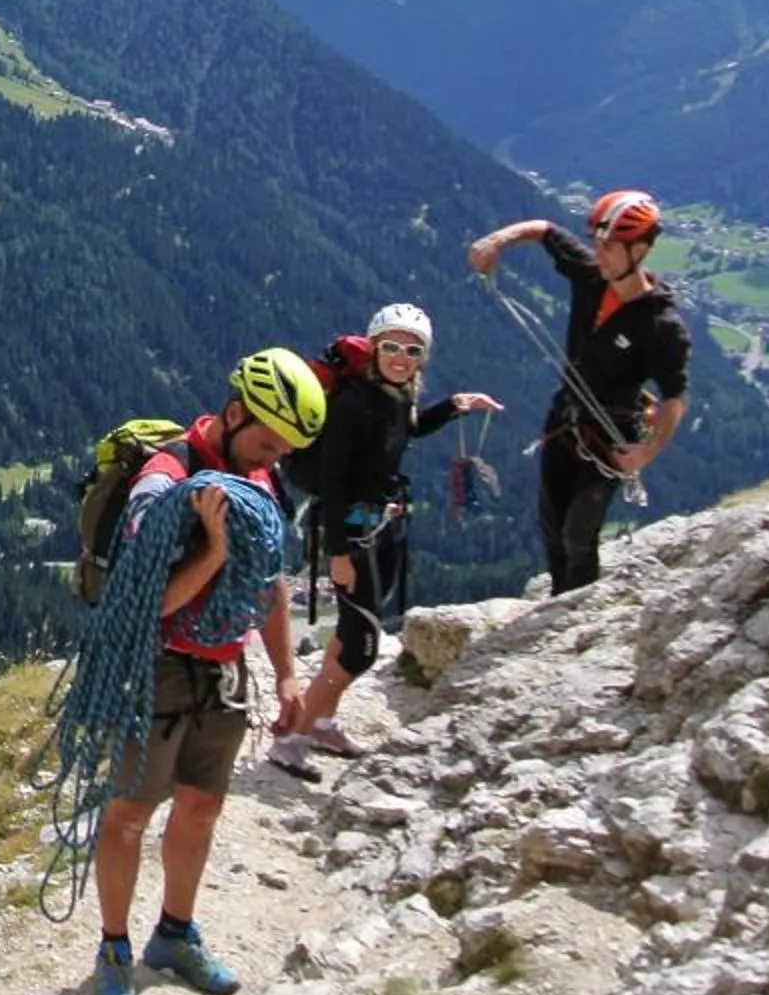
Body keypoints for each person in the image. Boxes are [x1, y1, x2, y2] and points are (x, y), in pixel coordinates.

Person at [88, 346, 327, 995]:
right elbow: (147, 602)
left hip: (223, 666)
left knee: (201, 805)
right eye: (266, 441)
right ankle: (112, 950)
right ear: (232, 413)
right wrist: (215, 553)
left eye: (284, 450)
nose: (273, 459)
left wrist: (285, 671)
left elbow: (271, 579)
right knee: (130, 812)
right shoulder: (165, 482)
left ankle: (174, 933)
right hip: (156, 664)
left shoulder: (259, 482)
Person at [268, 304, 500, 778]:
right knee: (362, 647)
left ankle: (323, 721)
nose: (400, 356)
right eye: (390, 346)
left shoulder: (394, 395)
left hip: (378, 526)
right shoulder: (354, 403)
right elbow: (331, 482)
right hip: (353, 533)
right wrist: (337, 555)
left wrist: (456, 405)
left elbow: (407, 427)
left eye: (411, 350)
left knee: (351, 635)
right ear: (373, 348)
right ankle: (292, 739)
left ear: (422, 358)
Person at [469, 190, 692, 595]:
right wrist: (495, 241)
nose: (600, 253)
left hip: (611, 435)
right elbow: (544, 230)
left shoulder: (660, 325)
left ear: (639, 249)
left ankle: (574, 614)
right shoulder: (591, 277)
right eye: (597, 244)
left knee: (577, 533)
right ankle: (559, 602)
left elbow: (674, 397)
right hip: (564, 421)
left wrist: (646, 453)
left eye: (610, 247)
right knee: (552, 526)